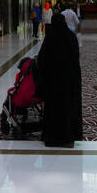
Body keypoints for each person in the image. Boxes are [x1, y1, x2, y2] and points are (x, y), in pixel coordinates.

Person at [35, 12, 83, 147]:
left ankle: (52, 137)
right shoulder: (71, 37)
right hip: (68, 82)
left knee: (53, 110)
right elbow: (75, 59)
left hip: (53, 83)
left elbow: (42, 60)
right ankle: (68, 136)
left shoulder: (50, 38)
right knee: (67, 109)